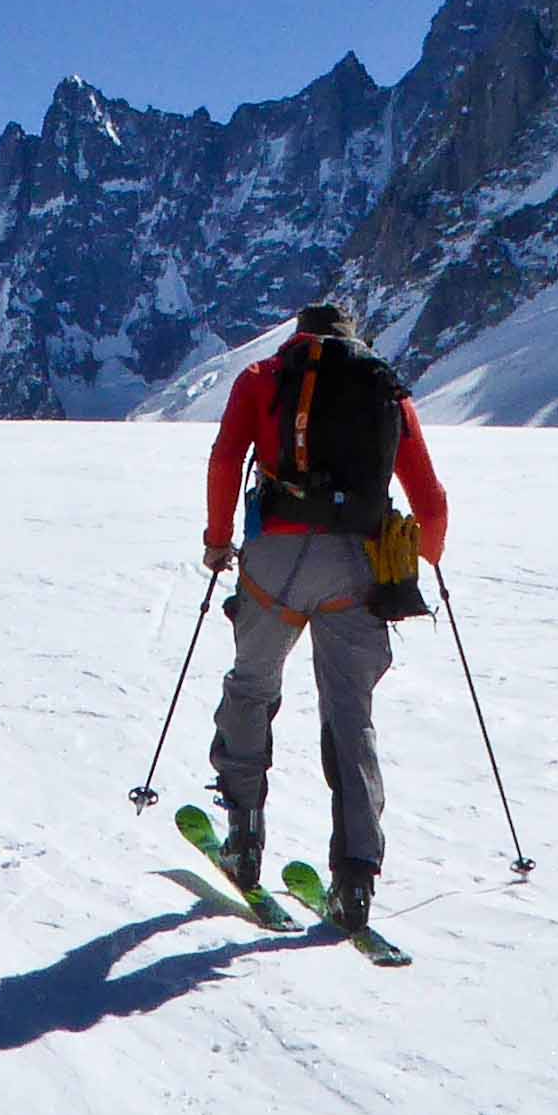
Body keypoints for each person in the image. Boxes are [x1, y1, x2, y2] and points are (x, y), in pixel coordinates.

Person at [199, 301, 447, 938]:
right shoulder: (383, 386)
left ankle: (244, 835)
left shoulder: (262, 379)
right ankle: (355, 880)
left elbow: (227, 459)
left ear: (298, 337)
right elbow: (431, 498)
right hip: (354, 566)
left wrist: (217, 538)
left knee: (253, 687)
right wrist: (421, 559)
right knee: (349, 714)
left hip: (274, 560)